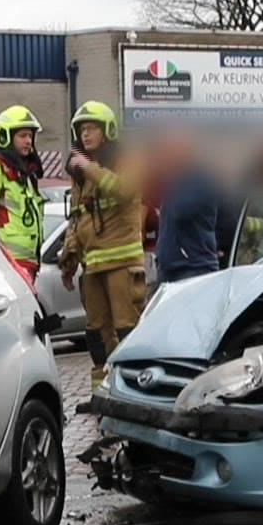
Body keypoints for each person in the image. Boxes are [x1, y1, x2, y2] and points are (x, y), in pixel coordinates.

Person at [57, 101, 146, 390]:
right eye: (82, 129)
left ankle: (135, 389)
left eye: (92, 127)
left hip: (122, 264)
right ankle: (102, 393)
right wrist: (69, 259)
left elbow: (125, 190)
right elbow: (77, 218)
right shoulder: (81, 175)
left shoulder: (128, 159)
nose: (86, 134)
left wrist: (91, 169)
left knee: (127, 328)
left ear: (108, 129)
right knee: (95, 333)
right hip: (93, 265)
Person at [0, 106, 46, 289]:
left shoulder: (24, 174)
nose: (28, 141)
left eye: (30, 136)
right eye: (22, 136)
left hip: (27, 263)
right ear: (5, 136)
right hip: (7, 263)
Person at [153, 129, 223, 285]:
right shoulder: (177, 178)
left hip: (193, 267)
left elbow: (181, 211)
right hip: (169, 267)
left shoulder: (201, 177)